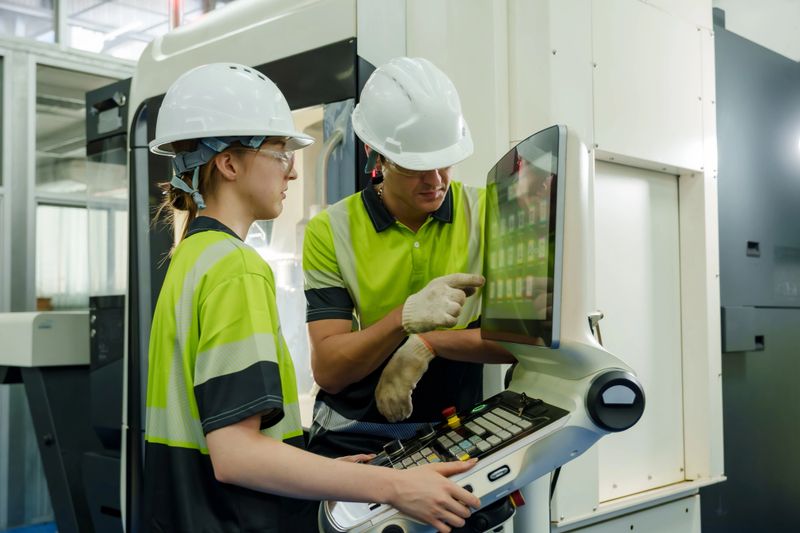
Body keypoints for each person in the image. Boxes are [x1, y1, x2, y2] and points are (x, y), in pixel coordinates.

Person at [143, 62, 481, 533]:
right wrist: (395, 486)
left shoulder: (191, 257)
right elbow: (237, 456)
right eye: (281, 153)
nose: (295, 171)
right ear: (228, 163)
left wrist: (341, 474)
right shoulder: (236, 268)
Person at [303, 57, 515, 459]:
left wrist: (427, 343)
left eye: (443, 162)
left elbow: (525, 340)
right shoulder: (332, 230)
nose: (435, 181)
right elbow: (329, 371)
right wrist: (403, 317)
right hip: (357, 428)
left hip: (460, 423)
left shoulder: (489, 213)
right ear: (375, 154)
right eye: (415, 166)